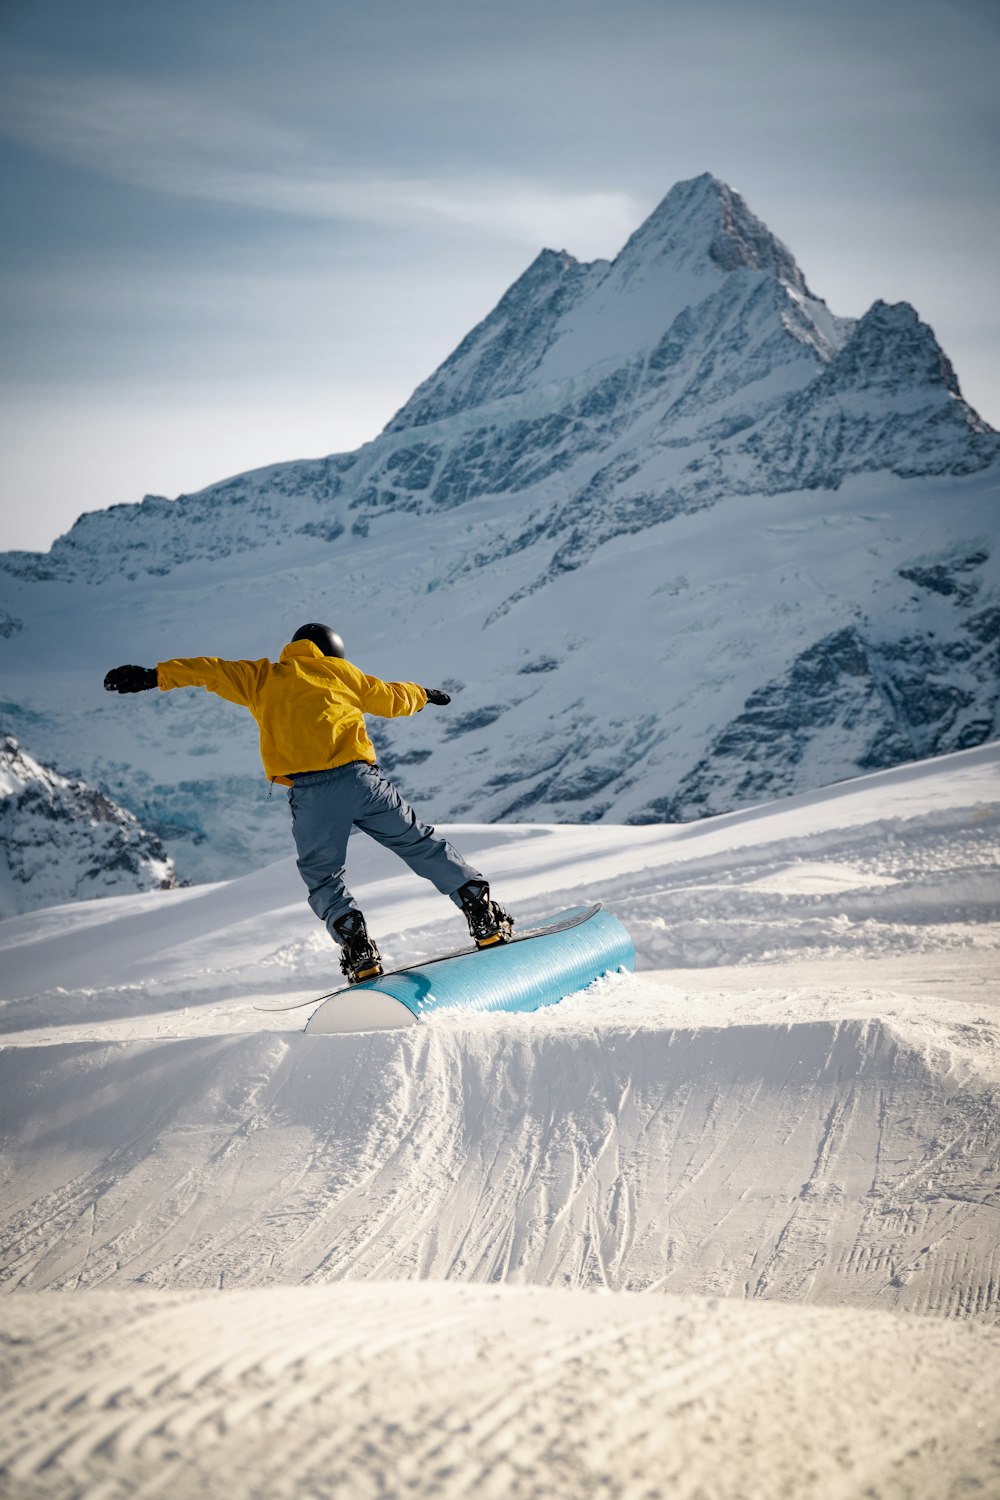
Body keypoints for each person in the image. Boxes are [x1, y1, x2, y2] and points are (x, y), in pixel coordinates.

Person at [103, 622, 513, 982]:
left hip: (312, 795)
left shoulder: (262, 676)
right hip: (361, 782)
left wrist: (154, 675)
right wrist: (423, 694)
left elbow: (208, 670)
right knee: (418, 844)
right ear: (333, 653)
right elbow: (391, 697)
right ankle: (481, 914)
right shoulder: (344, 674)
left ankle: (359, 950)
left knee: (323, 877)